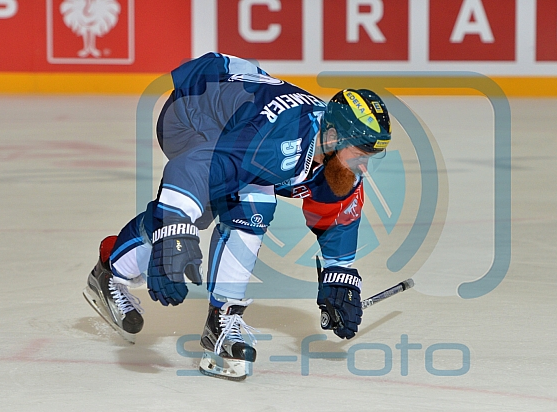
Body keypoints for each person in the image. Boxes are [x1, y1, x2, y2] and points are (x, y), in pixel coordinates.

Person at [84, 52, 392, 381]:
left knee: (233, 200)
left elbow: (335, 213)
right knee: (221, 208)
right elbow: (190, 169)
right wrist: (172, 230)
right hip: (189, 113)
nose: (364, 166)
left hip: (235, 119)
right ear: (332, 139)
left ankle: (215, 313)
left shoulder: (336, 161)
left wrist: (338, 274)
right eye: (360, 155)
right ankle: (115, 271)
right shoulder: (276, 144)